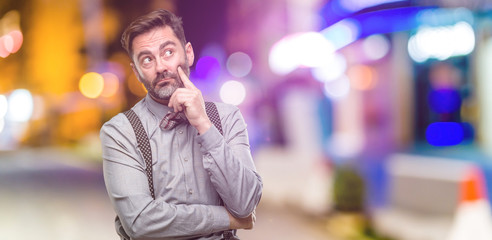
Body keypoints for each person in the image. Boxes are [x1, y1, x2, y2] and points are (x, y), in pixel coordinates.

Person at [100, 9, 263, 240]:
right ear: (136, 72)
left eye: (168, 52)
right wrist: (227, 219)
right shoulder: (120, 132)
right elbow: (140, 222)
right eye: (147, 59)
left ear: (188, 53)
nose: (160, 67)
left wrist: (204, 125)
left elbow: (245, 203)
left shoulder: (227, 118)